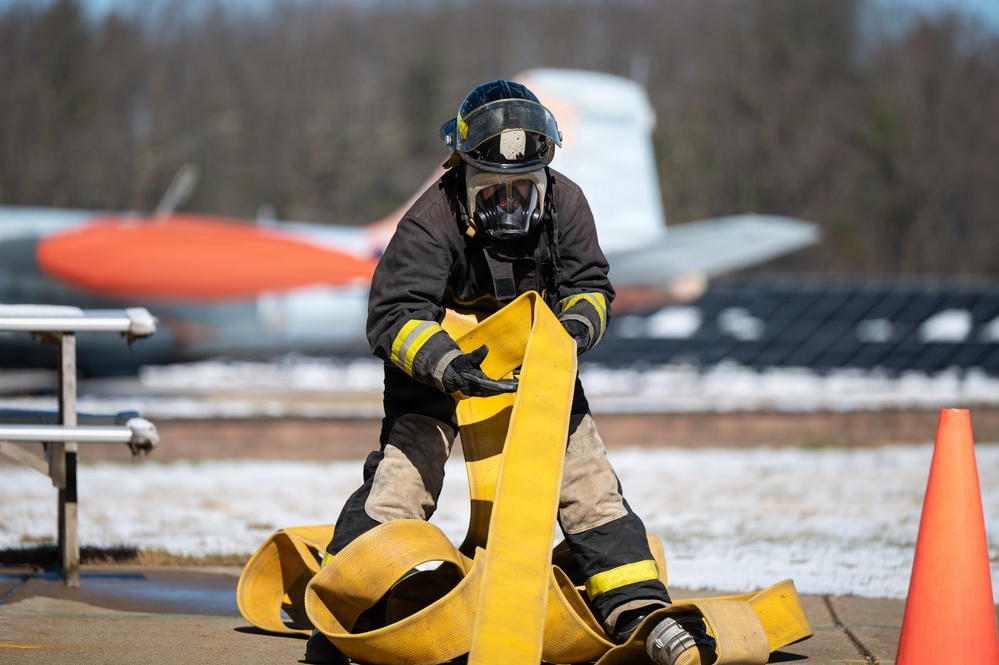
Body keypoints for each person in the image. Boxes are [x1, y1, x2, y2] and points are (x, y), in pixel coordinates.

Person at [306, 79, 712, 665]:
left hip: (535, 358)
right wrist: (447, 365)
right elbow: (393, 314)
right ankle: (342, 615)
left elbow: (591, 288)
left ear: (545, 177)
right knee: (404, 479)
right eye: (491, 191)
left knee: (587, 480)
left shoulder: (568, 204)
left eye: (524, 190)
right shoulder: (430, 219)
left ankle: (642, 614)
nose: (508, 206)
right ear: (462, 174)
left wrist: (570, 334)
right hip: (439, 366)